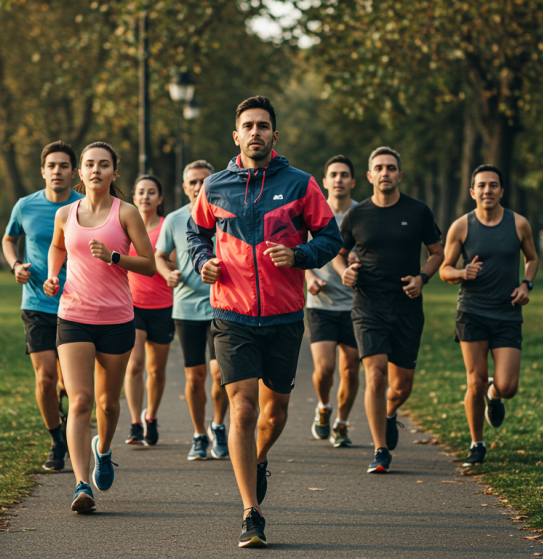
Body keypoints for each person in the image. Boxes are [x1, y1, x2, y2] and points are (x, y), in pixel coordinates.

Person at [187, 96, 342, 548]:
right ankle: (250, 511)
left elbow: (330, 237)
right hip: (231, 314)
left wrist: (298, 256)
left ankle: (257, 459)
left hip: (285, 316)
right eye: (248, 126)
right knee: (243, 408)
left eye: (263, 126)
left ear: (275, 135)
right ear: (236, 136)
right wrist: (203, 263)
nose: (256, 132)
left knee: (274, 414)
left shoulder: (300, 184)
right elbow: (197, 234)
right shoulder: (214, 187)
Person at [43, 142, 156, 513]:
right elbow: (58, 248)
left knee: (108, 404)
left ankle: (103, 451)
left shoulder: (127, 214)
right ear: (80, 172)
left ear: (114, 173)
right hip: (73, 316)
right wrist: (52, 276)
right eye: (89, 164)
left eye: (103, 165)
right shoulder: (65, 214)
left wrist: (115, 258)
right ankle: (80, 485)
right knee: (79, 401)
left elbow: (149, 264)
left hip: (116, 320)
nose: (95, 170)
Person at [333, 146, 444, 474]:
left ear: (399, 175)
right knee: (376, 372)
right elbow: (339, 252)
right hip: (368, 305)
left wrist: (423, 278)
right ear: (369, 176)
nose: (385, 173)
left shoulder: (418, 210)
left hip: (407, 306)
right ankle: (381, 450)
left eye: (391, 168)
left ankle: (390, 412)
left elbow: (436, 252)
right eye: (379, 168)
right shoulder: (358, 215)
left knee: (402, 385)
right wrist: (345, 271)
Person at [440, 164, 538, 467]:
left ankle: (494, 397)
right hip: (472, 312)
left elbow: (532, 258)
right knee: (475, 380)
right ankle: (477, 443)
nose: (487, 190)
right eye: (481, 186)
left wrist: (526, 283)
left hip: (507, 312)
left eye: (493, 185)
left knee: (507, 386)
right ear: (472, 192)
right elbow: (444, 270)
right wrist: (461, 272)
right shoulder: (461, 226)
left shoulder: (519, 224)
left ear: (501, 191)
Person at [2, 141, 84, 472]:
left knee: (69, 383)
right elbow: (9, 239)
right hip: (37, 303)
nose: (57, 171)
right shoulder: (25, 206)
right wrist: (16, 265)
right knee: (46, 378)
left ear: (73, 172)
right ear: (43, 171)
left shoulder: (85, 205)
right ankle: (56, 440)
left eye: (64, 166)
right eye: (51, 166)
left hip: (78, 303)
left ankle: (68, 424)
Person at [155, 160, 230, 461]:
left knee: (220, 372)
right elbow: (160, 256)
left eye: (204, 181)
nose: (199, 186)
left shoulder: (225, 213)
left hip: (221, 304)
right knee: (195, 376)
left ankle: (219, 426)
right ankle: (200, 434)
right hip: (185, 308)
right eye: (193, 182)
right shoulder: (173, 220)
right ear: (185, 187)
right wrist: (167, 274)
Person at [305, 155, 360, 448]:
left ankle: (341, 423)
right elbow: (299, 248)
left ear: (353, 181)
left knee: (350, 367)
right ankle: (324, 406)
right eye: (333, 175)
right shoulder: (314, 211)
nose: (339, 179)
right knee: (325, 368)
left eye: (344, 175)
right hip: (321, 303)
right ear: (325, 181)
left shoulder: (363, 213)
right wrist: (308, 277)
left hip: (355, 305)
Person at [122, 175, 174, 447]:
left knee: (156, 370)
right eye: (141, 192)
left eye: (151, 192)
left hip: (163, 306)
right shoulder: (126, 225)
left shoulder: (168, 226)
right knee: (135, 364)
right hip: (133, 304)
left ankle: (151, 416)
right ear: (134, 196)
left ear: (160, 198)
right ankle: (134, 423)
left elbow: (175, 260)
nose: (145, 196)